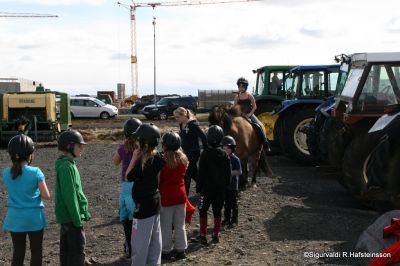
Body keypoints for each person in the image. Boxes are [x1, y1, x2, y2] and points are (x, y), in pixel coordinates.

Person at [2, 134, 50, 266]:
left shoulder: (6, 173)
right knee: (36, 251)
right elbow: (46, 196)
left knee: (18, 252)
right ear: (30, 155)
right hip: (34, 218)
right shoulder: (35, 172)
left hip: (15, 218)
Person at [126, 123, 165, 266]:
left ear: (144, 143)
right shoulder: (158, 159)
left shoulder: (142, 163)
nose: (136, 142)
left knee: (139, 242)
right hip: (155, 201)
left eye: (138, 140)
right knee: (155, 239)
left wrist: (134, 157)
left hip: (142, 207)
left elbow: (128, 176)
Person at [55, 129, 91, 266]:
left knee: (67, 249)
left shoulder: (68, 164)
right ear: (69, 146)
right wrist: (77, 218)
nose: (81, 148)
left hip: (69, 216)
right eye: (79, 145)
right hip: (71, 217)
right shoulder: (66, 168)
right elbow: (69, 195)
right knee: (77, 249)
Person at [112, 118, 142, 258]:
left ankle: (129, 247)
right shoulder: (141, 147)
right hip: (140, 184)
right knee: (139, 216)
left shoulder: (123, 147)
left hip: (126, 185)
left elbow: (115, 162)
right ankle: (139, 246)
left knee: (127, 218)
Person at [196, 125, 231, 244]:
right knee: (217, 211)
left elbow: (201, 173)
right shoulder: (224, 154)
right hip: (220, 189)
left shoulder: (205, 154)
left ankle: (203, 234)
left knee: (203, 210)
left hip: (206, 189)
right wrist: (226, 184)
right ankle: (216, 234)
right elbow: (228, 172)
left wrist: (198, 188)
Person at [159, 132, 189, 260]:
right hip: (181, 194)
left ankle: (166, 250)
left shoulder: (162, 161)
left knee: (165, 225)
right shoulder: (183, 158)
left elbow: (159, 180)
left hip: (166, 196)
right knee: (180, 224)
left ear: (164, 146)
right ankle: (181, 249)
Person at [174, 107, 207, 195]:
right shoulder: (181, 124)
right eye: (175, 117)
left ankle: (185, 195)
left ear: (184, 115)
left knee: (186, 174)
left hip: (193, 153)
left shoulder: (193, 124)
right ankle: (204, 187)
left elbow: (203, 137)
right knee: (194, 173)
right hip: (185, 153)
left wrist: (205, 150)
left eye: (178, 117)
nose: (176, 119)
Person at [233, 77, 271, 151]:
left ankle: (265, 143)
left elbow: (254, 107)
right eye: (239, 86)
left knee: (259, 125)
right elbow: (234, 106)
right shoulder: (237, 97)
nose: (241, 88)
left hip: (249, 114)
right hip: (240, 115)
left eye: (242, 86)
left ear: (245, 87)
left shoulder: (250, 96)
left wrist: (250, 114)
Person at [221, 136, 242, 228]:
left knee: (234, 203)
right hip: (225, 186)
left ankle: (234, 220)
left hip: (233, 186)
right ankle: (226, 219)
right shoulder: (222, 158)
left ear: (232, 149)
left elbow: (239, 171)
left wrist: (228, 173)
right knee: (226, 204)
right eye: (224, 148)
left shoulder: (235, 159)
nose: (226, 150)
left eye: (228, 149)